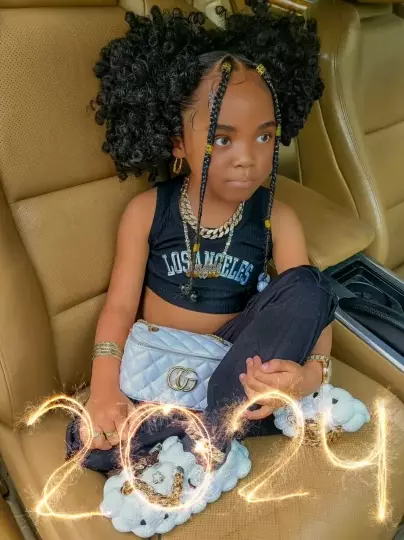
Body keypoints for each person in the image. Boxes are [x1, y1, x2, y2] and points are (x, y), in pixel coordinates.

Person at [66, 0, 337, 473]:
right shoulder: (147, 212)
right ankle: (214, 430)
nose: (247, 157)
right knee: (87, 443)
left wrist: (307, 377)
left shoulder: (278, 218)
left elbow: (310, 315)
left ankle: (210, 428)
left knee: (311, 287)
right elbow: (119, 308)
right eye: (223, 139)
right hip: (161, 370)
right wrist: (105, 389)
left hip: (236, 365)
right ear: (177, 141)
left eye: (264, 137)